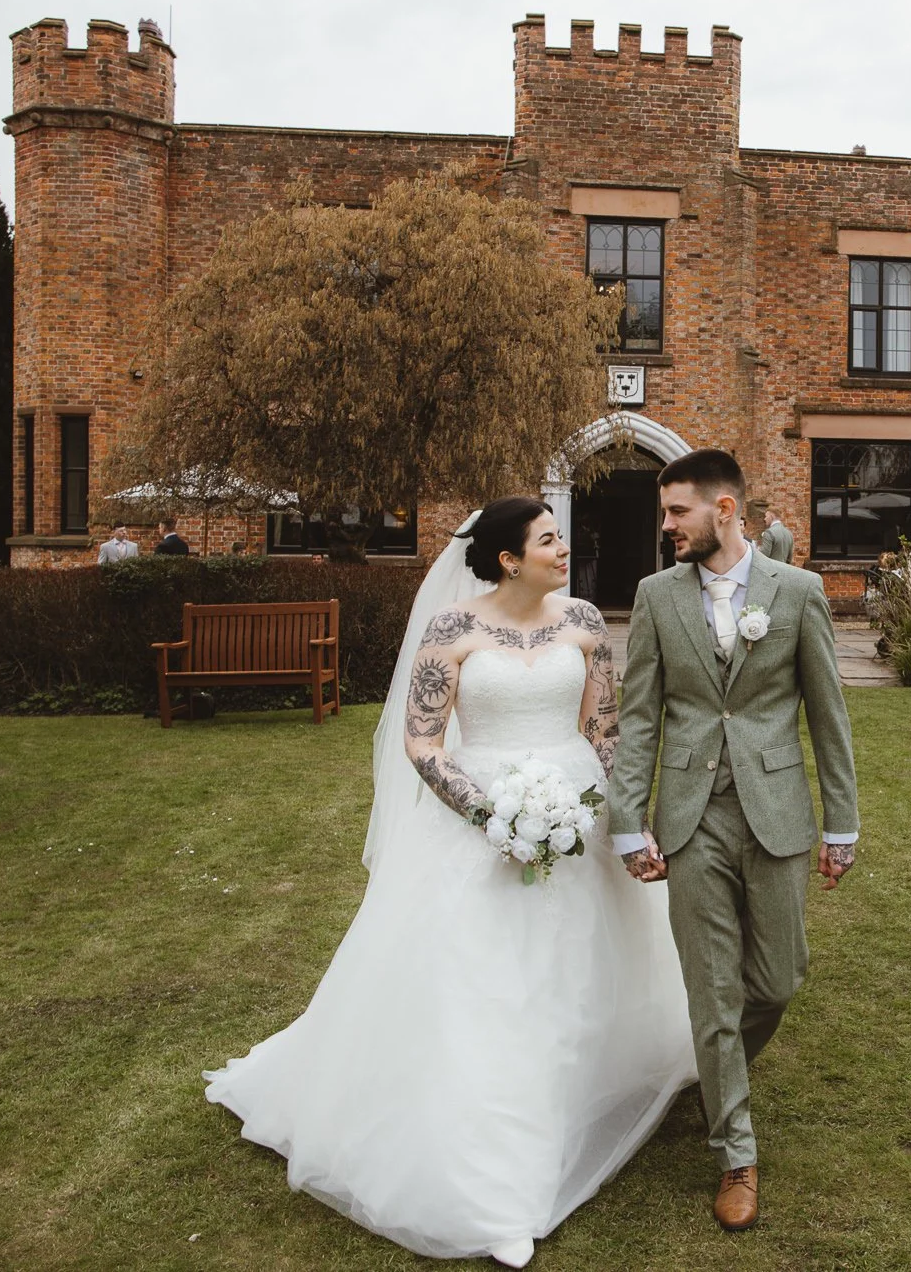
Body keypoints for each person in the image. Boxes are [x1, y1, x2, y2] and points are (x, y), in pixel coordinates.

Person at [205, 498, 695, 1268]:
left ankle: (580, 1084)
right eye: (547, 539)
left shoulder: (586, 622)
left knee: (583, 963)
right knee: (484, 983)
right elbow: (424, 741)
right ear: (508, 558)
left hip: (577, 809)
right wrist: (494, 814)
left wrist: (610, 813)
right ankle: (493, 1173)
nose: (563, 547)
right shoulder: (453, 629)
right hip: (483, 817)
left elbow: (607, 731)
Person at [611, 448, 860, 1234]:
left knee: (779, 979)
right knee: (712, 989)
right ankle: (737, 1155)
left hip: (778, 807)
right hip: (689, 816)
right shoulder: (655, 597)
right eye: (664, 513)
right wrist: (629, 820)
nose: (666, 526)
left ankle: (715, 1075)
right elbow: (641, 716)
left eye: (676, 511)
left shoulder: (798, 593)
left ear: (724, 509)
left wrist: (841, 822)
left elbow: (827, 714)